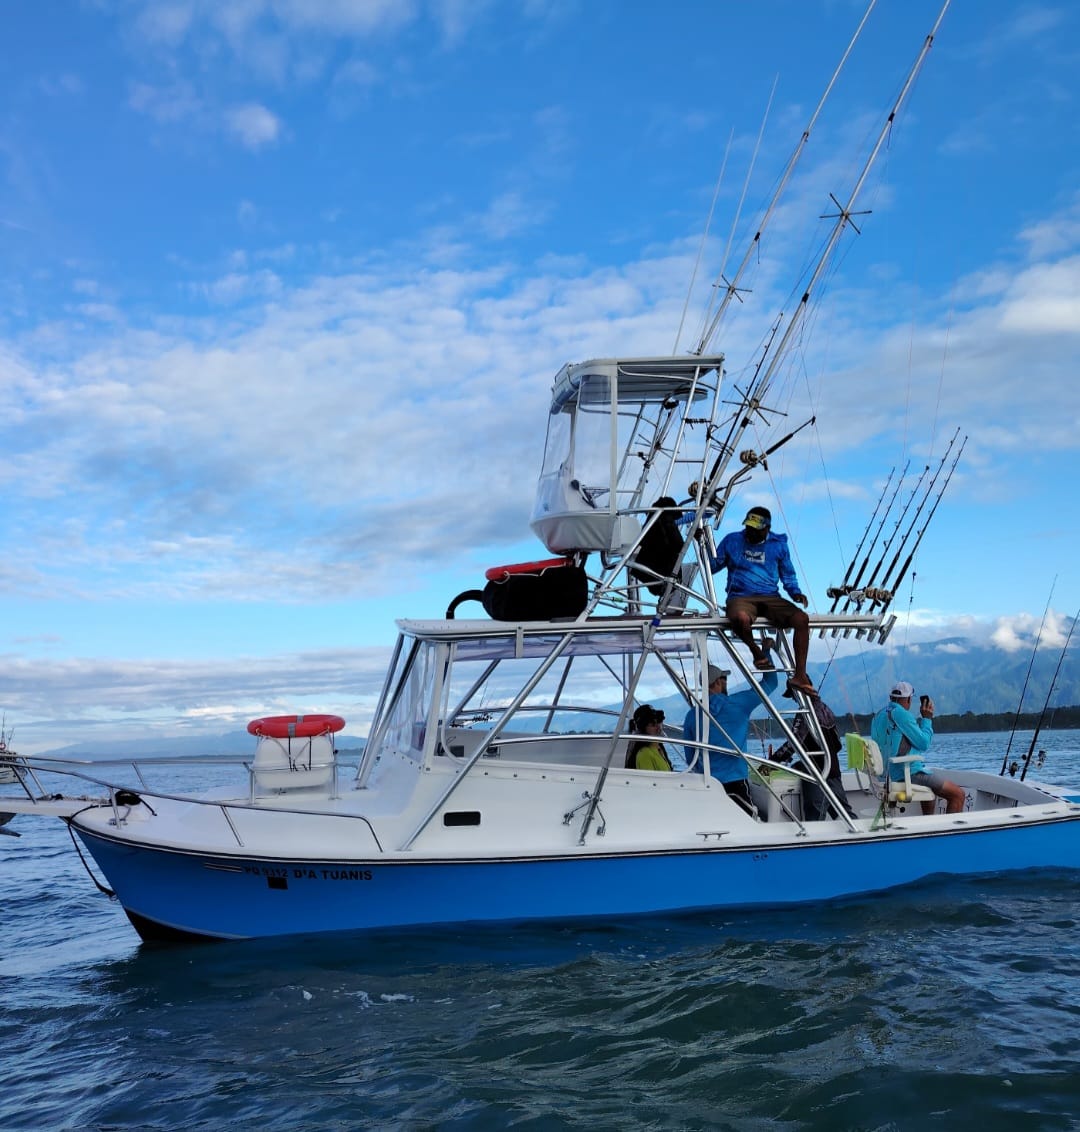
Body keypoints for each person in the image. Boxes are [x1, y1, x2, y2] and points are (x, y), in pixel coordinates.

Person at [710, 506, 813, 692]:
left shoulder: (778, 544)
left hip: (770, 596)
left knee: (801, 619)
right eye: (748, 527)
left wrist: (795, 592)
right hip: (740, 596)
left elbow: (788, 573)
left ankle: (800, 675)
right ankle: (756, 652)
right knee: (741, 618)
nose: (750, 532)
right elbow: (712, 565)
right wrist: (701, 542)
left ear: (766, 528)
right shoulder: (732, 540)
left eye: (755, 529)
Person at [682, 660, 778, 814]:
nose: (726, 682)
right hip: (736, 782)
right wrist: (766, 652)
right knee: (745, 823)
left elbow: (690, 757)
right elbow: (772, 682)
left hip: (708, 784)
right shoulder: (739, 703)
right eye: (725, 679)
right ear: (718, 682)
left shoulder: (692, 715)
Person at [870, 680, 966, 815]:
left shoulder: (878, 716)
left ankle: (928, 827)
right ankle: (951, 835)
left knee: (930, 791)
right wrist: (927, 719)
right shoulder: (901, 714)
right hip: (907, 773)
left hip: (887, 774)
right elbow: (923, 743)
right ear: (908, 699)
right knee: (958, 794)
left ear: (891, 697)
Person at [772, 687, 857, 820]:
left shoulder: (804, 712)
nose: (794, 700)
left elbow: (793, 743)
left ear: (799, 694)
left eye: (793, 696)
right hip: (834, 770)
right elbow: (838, 744)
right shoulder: (827, 709)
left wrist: (773, 761)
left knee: (815, 818)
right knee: (845, 814)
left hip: (817, 774)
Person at [624, 704, 673, 771]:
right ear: (643, 729)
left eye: (659, 722)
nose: (659, 728)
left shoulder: (659, 748)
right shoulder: (644, 754)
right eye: (653, 725)